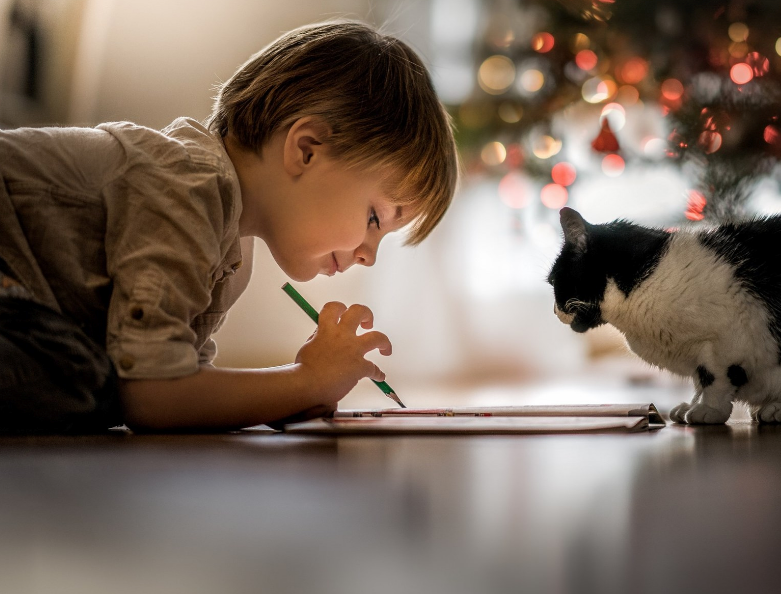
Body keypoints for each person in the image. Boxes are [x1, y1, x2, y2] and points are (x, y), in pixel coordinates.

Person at [0, 20, 458, 434]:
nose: (368, 254)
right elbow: (152, 394)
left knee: (89, 380)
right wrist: (304, 381)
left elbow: (186, 385)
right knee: (87, 382)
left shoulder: (231, 257)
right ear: (306, 150)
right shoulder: (185, 190)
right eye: (374, 218)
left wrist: (294, 394)